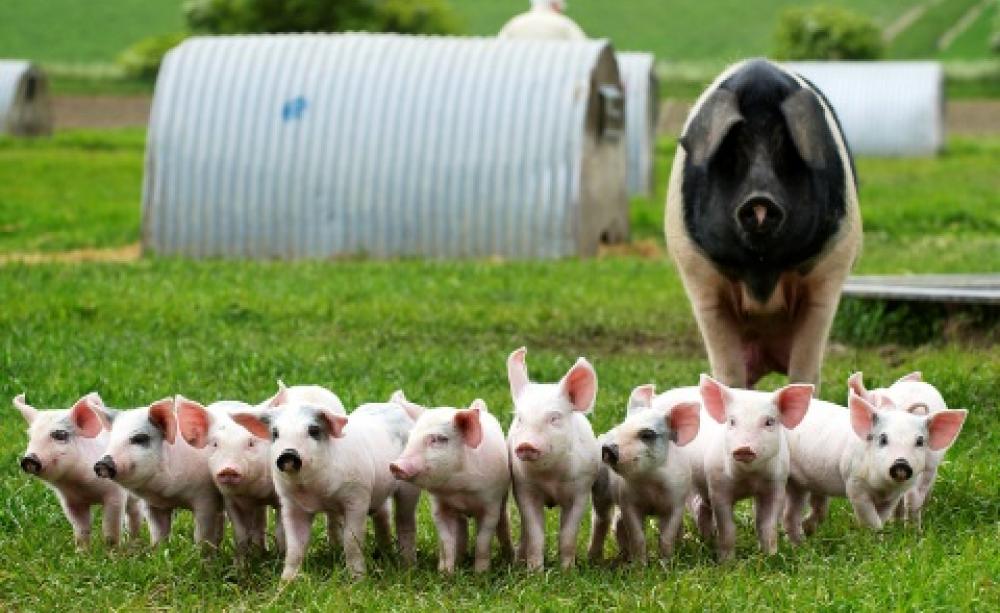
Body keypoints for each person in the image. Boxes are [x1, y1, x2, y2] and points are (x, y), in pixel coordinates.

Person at [498, 0, 587, 41]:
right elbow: (582, 48)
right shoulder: (564, 23)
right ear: (555, 5)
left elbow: (499, 46)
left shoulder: (515, 23)